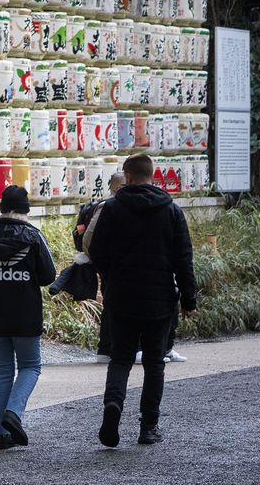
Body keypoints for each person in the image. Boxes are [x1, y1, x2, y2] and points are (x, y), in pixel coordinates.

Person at [88, 154, 197, 447]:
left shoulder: (111, 208)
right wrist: (189, 298)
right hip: (159, 300)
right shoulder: (171, 210)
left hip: (121, 297)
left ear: (129, 176)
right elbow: (183, 258)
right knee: (154, 363)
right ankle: (148, 426)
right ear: (152, 175)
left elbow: (95, 250)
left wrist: (110, 277)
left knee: (121, 358)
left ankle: (113, 405)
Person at [0, 185, 56, 450]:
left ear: (2, 208)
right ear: (25, 210)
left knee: (3, 370)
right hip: (25, 312)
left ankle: (1, 435)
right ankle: (14, 413)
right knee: (31, 366)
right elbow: (49, 275)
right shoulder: (32, 236)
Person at [79, 172, 126, 362]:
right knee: (114, 305)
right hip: (112, 265)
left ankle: (107, 349)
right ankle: (108, 349)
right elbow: (88, 238)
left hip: (112, 264)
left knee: (112, 304)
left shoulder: (117, 205)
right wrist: (100, 262)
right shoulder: (107, 206)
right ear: (118, 187)